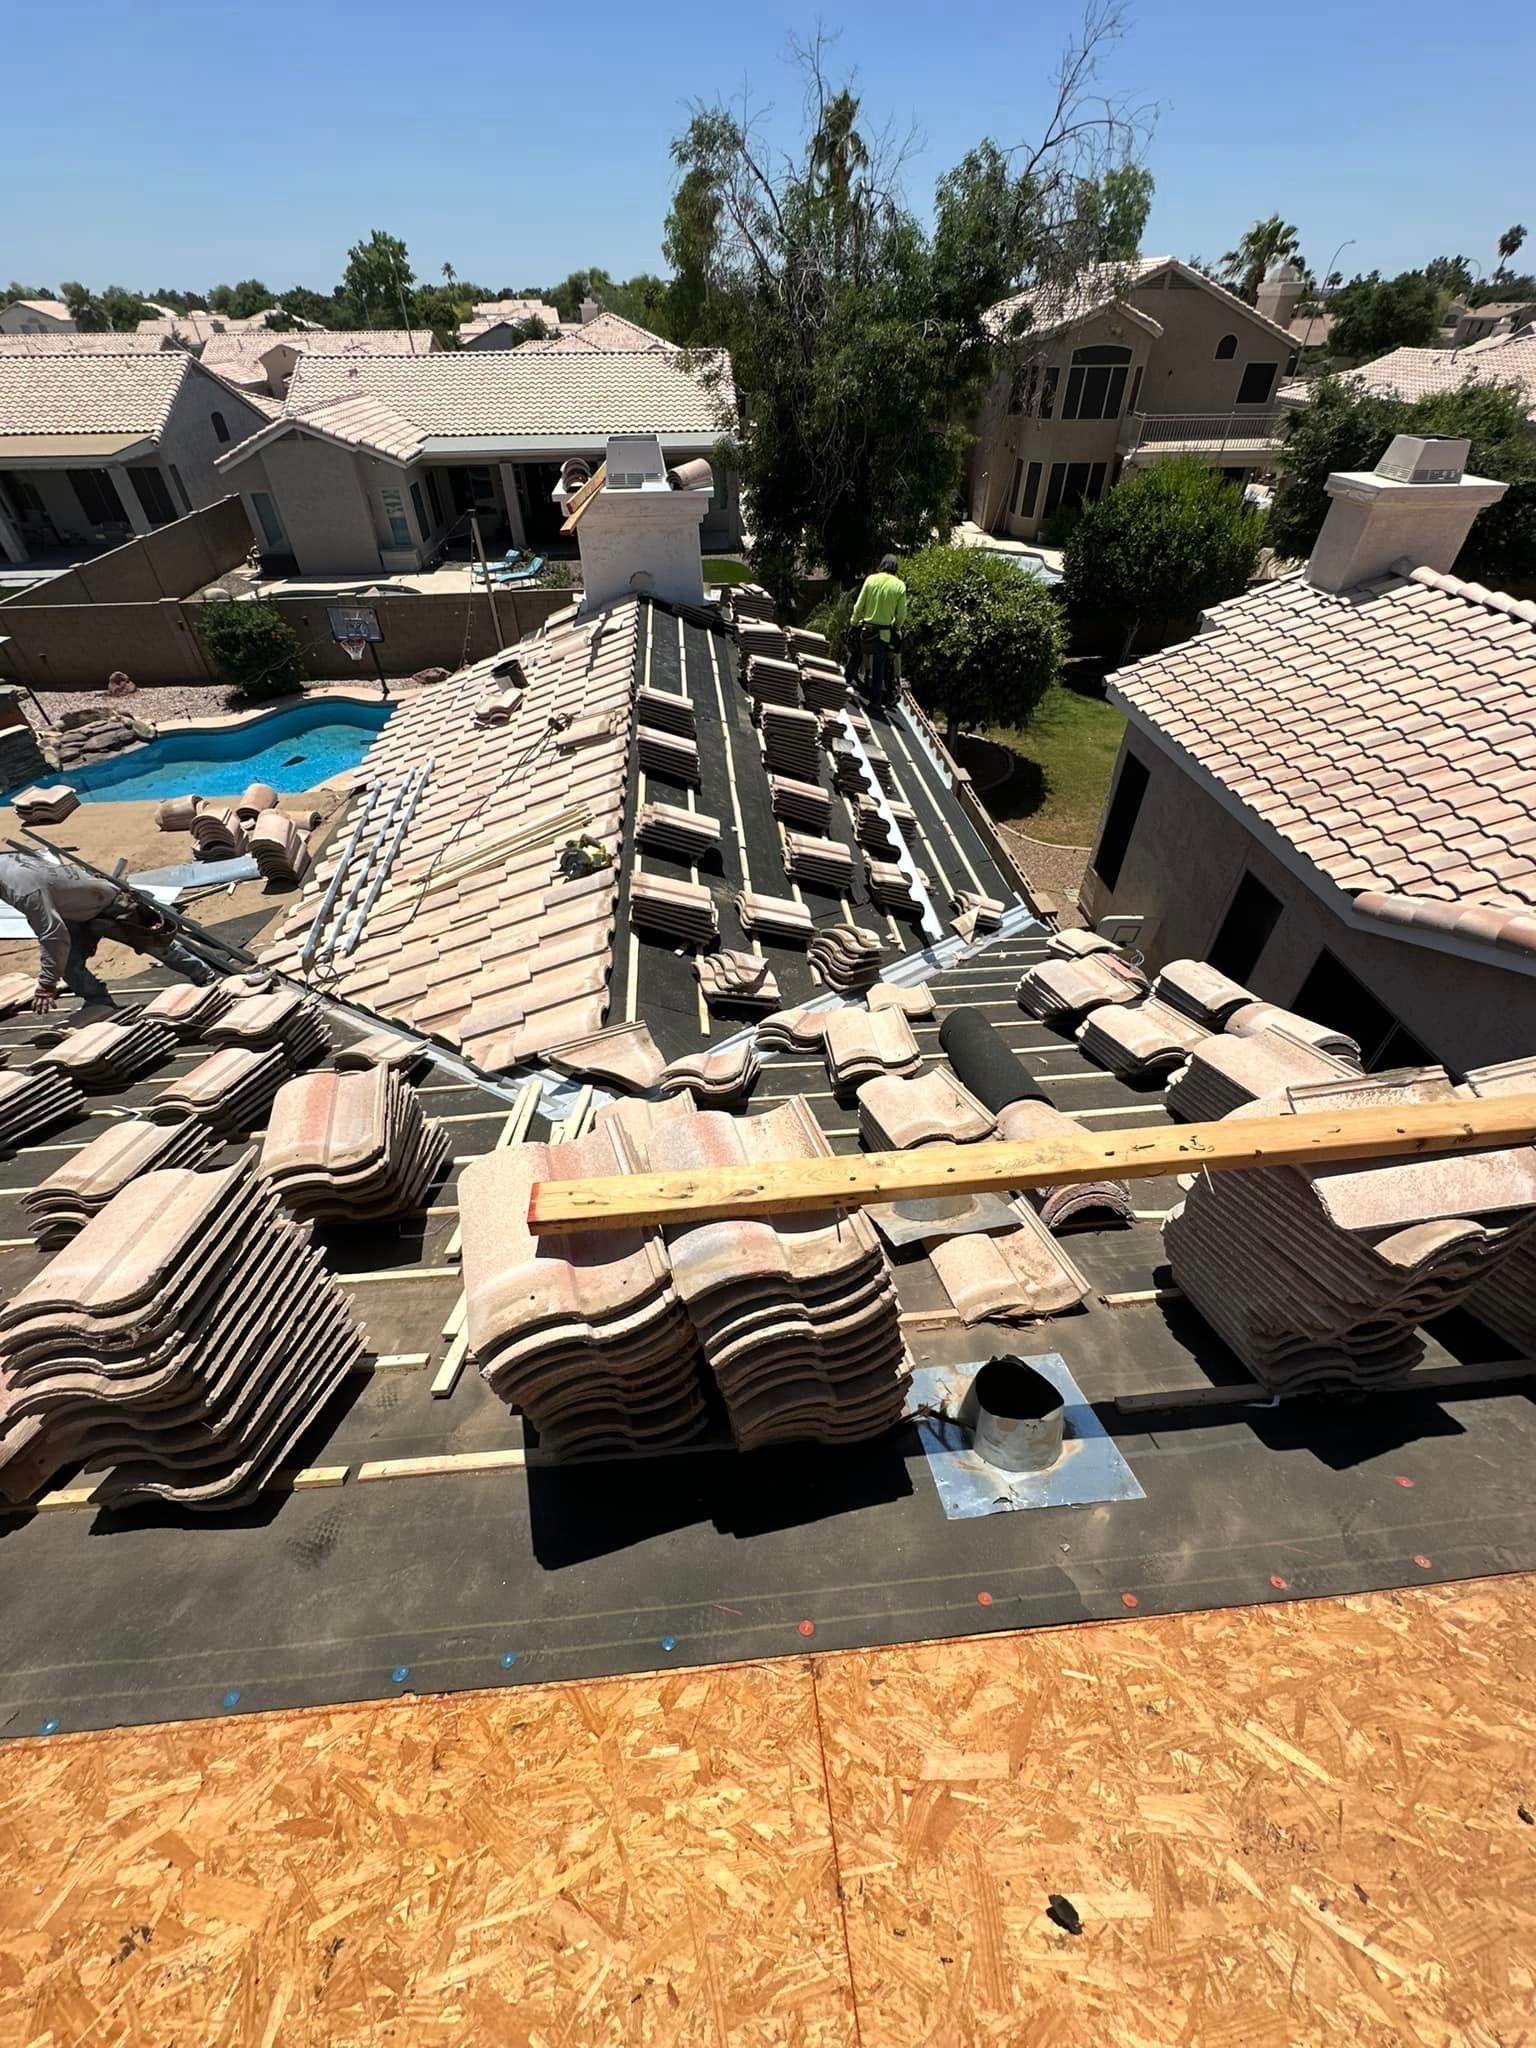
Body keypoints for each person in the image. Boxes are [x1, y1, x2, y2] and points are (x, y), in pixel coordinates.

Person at [0, 850, 216, 1013]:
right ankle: (98, 1003)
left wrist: (47, 984)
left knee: (157, 946)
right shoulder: (7, 861)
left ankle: (204, 977)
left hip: (110, 903)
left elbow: (53, 936)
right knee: (67, 964)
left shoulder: (24, 891)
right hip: (77, 910)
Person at [848, 554, 909, 714]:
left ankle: (844, 684)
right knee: (878, 668)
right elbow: (901, 615)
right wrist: (896, 627)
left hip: (866, 631)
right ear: (895, 569)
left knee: (856, 655)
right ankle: (875, 702)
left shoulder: (870, 580)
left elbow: (859, 606)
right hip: (883, 635)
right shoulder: (899, 586)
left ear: (881, 565)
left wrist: (854, 623)